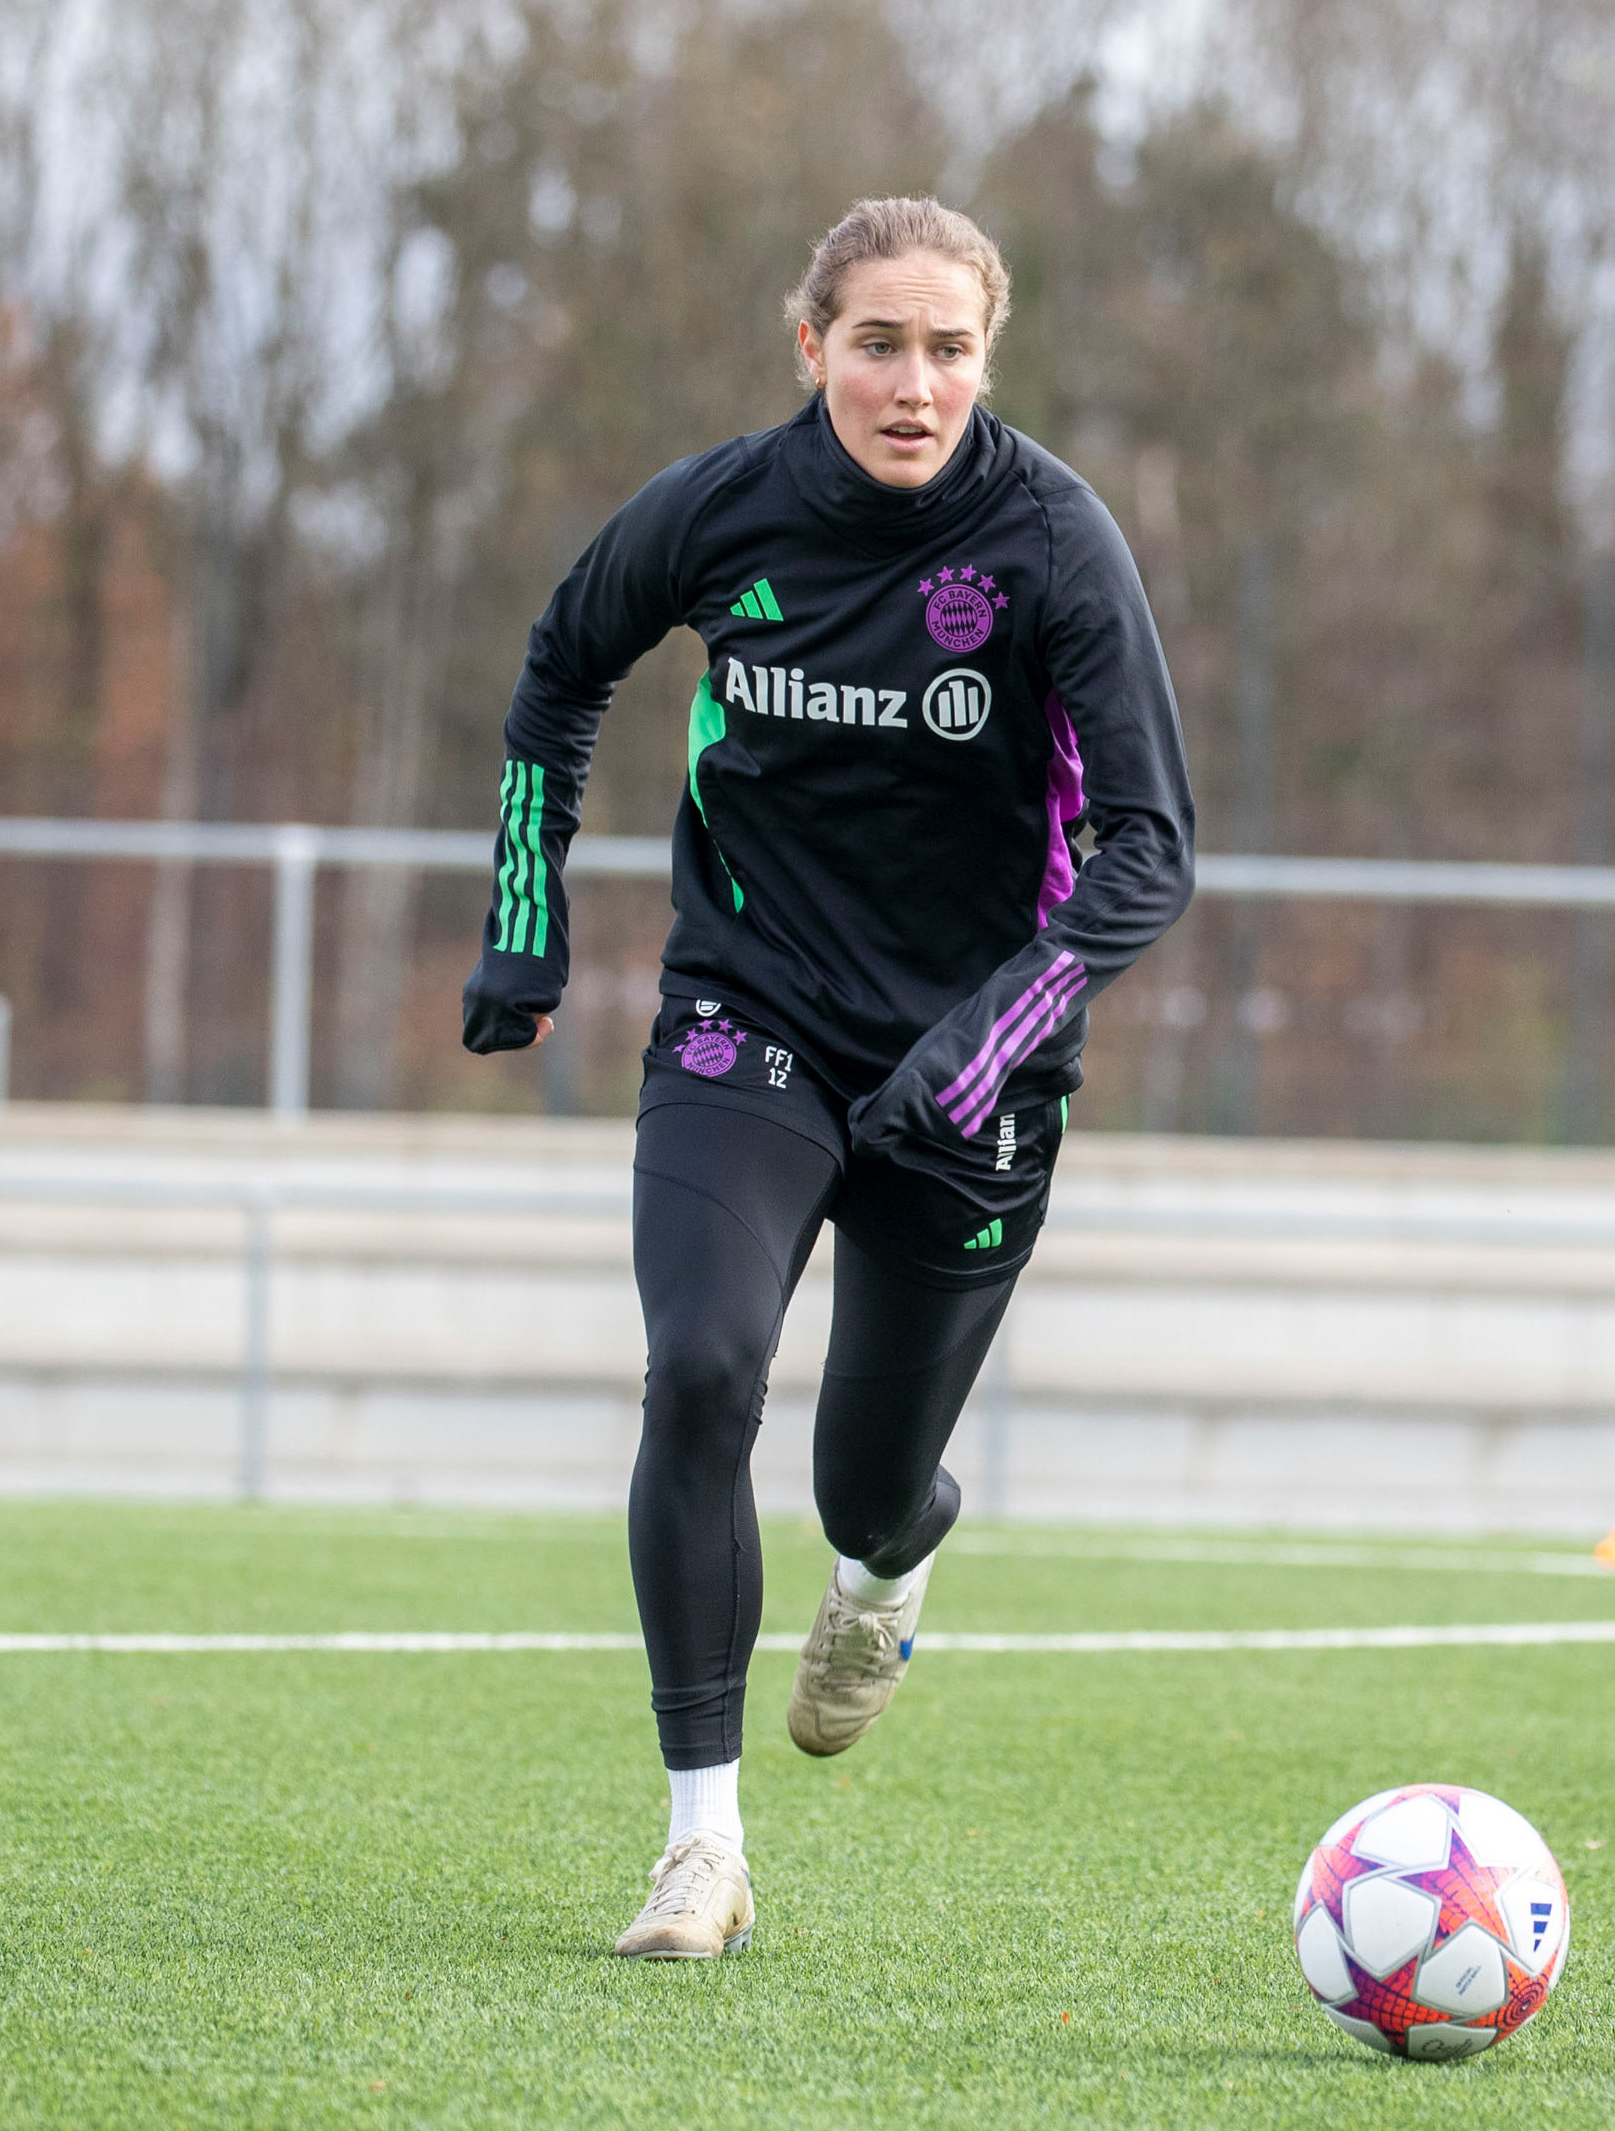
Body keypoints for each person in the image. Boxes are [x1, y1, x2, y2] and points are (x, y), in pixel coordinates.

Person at [460, 197, 1197, 1954]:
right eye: (879, 342)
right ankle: (698, 1846)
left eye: (950, 349)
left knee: (867, 1481)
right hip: (751, 1014)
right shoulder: (720, 512)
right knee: (702, 1366)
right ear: (812, 347)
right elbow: (562, 674)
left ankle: (889, 1564)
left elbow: (1150, 851)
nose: (914, 382)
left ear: (986, 360)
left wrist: (993, 1033)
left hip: (977, 1070)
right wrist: (524, 916)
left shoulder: (1052, 539)